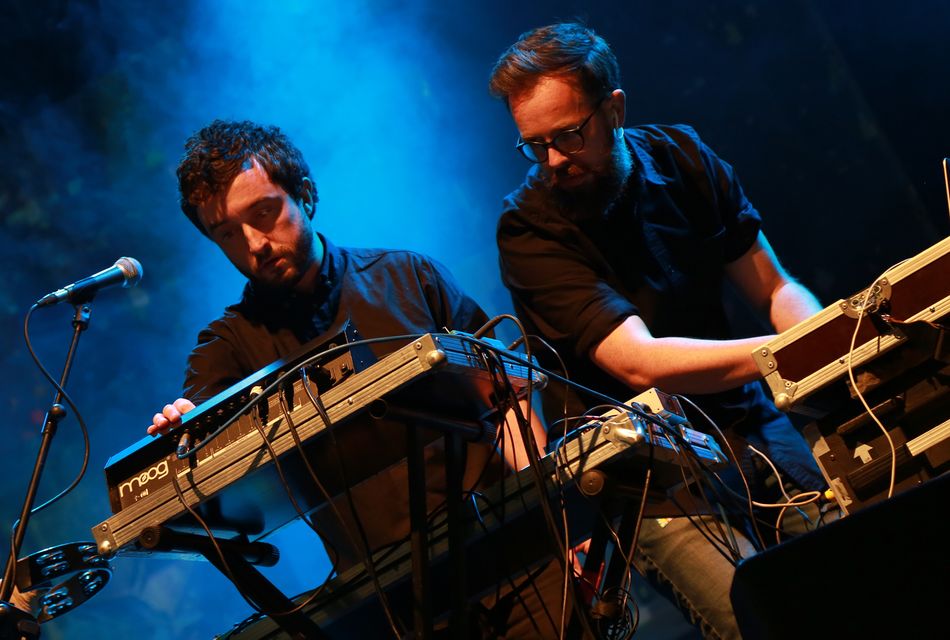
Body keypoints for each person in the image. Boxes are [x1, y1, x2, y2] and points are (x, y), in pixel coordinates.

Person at [147, 120, 561, 637]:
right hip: (395, 606)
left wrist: (555, 512)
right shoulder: (226, 347)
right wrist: (187, 429)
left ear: (305, 195)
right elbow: (199, 428)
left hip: (516, 554)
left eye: (264, 213)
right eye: (227, 233)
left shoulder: (408, 276)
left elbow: (509, 393)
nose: (253, 243)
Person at [489, 23, 827, 639]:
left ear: (614, 107)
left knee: (848, 575)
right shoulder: (528, 232)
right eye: (536, 146)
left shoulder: (684, 156)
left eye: (569, 134)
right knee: (756, 618)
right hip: (648, 474)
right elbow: (640, 362)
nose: (556, 161)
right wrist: (796, 351)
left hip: (746, 422)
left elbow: (775, 289)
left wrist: (828, 347)